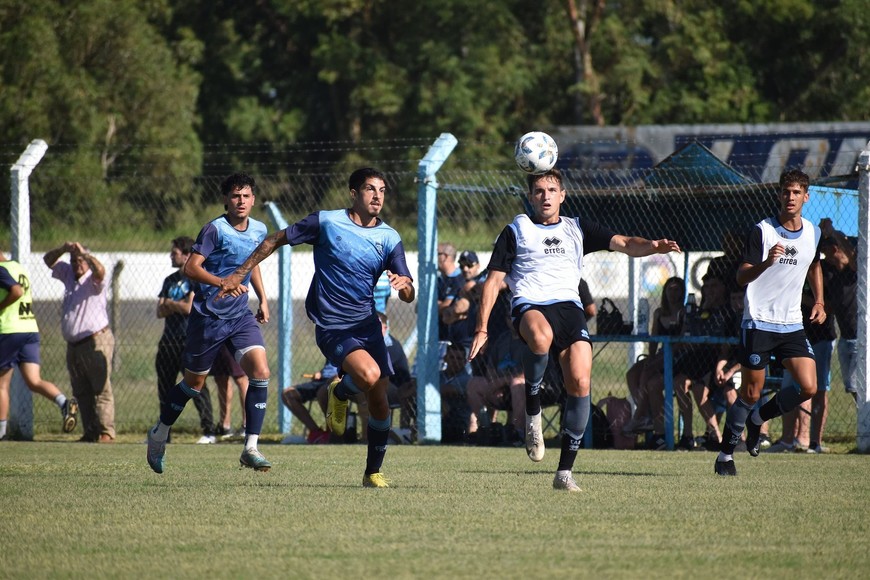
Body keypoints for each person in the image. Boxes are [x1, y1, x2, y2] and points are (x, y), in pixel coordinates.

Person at [469, 168, 681, 491]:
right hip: (531, 303)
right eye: (539, 191)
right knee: (540, 337)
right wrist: (481, 328)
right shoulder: (517, 229)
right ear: (530, 197)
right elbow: (494, 280)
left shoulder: (577, 228)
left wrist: (653, 246)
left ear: (563, 195)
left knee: (580, 382)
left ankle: (564, 473)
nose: (545, 196)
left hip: (570, 309)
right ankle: (532, 404)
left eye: (552, 190)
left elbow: (623, 242)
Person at [218, 167, 415, 488]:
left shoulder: (389, 237)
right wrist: (241, 273)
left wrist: (404, 284)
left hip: (367, 324)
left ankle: (372, 472)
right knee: (369, 375)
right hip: (332, 324)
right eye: (369, 189)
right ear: (354, 193)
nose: (377, 196)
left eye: (381, 190)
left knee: (379, 400)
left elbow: (408, 293)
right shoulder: (326, 221)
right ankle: (341, 389)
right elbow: (274, 240)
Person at [145, 172, 272, 474]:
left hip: (240, 315)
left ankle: (251, 447)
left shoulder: (259, 229)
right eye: (235, 196)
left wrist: (263, 299)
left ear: (253, 199)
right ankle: (160, 432)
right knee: (193, 384)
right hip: (209, 318)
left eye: (246, 196)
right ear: (226, 200)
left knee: (261, 371)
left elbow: (250, 265)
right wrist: (222, 283)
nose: (241, 201)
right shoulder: (215, 230)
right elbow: (191, 267)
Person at [714, 169, 826, 476]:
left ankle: (758, 418)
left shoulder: (813, 233)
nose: (790, 197)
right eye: (785, 192)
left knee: (809, 386)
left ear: (806, 196)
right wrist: (766, 262)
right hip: (759, 321)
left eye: (796, 192)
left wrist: (819, 301)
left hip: (792, 323)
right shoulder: (763, 231)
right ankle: (725, 455)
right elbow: (740, 276)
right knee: (750, 392)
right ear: (778, 195)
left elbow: (814, 264)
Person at [0, 250, 78, 440]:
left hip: (10, 329)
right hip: (29, 329)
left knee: (2, 385)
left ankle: (1, 432)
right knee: (33, 381)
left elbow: (16, 291)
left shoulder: (1, 270)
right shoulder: (19, 268)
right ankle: (63, 403)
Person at [43, 241, 115, 443]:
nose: (77, 264)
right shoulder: (68, 275)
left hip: (95, 340)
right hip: (74, 345)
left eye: (81, 260)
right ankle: (90, 432)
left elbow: (100, 270)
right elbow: (48, 261)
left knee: (101, 388)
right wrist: (63, 250)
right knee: (81, 391)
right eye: (74, 261)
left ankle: (106, 432)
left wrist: (85, 254)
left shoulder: (93, 279)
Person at [155, 236, 216, 445]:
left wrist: (171, 304)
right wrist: (176, 304)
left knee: (196, 387)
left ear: (187, 254)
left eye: (175, 252)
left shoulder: (195, 280)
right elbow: (159, 311)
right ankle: (164, 433)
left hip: (189, 341)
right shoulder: (169, 280)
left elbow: (189, 308)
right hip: (167, 341)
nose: (171, 256)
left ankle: (209, 430)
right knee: (165, 388)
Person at [622, 276, 685, 438]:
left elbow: (682, 342)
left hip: (678, 357)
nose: (673, 293)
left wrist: (655, 361)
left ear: (682, 291)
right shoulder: (659, 313)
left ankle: (639, 416)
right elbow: (654, 339)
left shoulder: (684, 312)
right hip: (661, 354)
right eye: (669, 289)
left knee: (647, 374)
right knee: (633, 373)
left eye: (676, 289)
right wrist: (651, 357)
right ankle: (646, 413)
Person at [818, 231, 858, 405]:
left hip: (861, 339)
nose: (826, 256)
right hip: (845, 338)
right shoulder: (830, 274)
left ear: (835, 249)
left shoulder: (855, 272)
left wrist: (834, 231)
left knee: (857, 386)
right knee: (851, 387)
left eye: (827, 250)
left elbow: (853, 258)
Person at [280, 360, 337, 444]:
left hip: (338, 380)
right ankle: (316, 433)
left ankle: (332, 434)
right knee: (287, 394)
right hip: (321, 380)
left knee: (323, 392)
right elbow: (331, 367)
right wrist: (321, 372)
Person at [212, 344, 249, 440]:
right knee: (220, 377)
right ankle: (225, 426)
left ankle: (248, 426)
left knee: (241, 378)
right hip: (216, 336)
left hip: (234, 336)